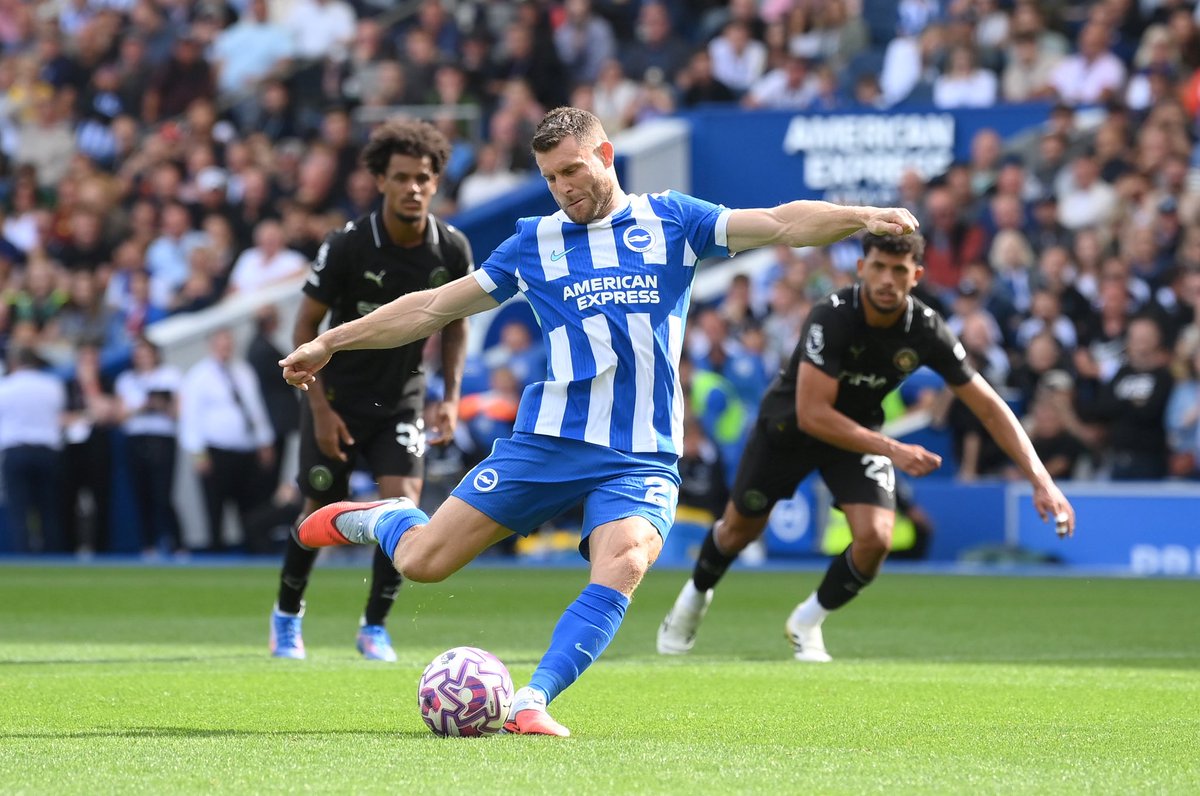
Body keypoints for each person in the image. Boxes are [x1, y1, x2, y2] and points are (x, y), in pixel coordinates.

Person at [279, 106, 921, 736]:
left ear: (606, 156)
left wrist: (859, 216)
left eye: (572, 170)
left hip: (641, 453)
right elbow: (430, 309)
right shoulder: (534, 242)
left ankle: (531, 700)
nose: (564, 188)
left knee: (628, 560)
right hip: (548, 440)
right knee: (423, 563)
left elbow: (782, 224)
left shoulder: (672, 219)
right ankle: (387, 517)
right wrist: (332, 343)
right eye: (552, 178)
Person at [656, 232, 1077, 663]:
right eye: (878, 266)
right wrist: (894, 449)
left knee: (876, 539)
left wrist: (1042, 481)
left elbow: (989, 407)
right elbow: (813, 414)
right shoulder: (832, 316)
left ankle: (807, 620)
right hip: (788, 429)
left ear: (915, 276)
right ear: (862, 269)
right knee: (737, 531)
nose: (887, 279)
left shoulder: (926, 329)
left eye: (898, 270)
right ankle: (694, 597)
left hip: (855, 436)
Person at [270, 119, 473, 662]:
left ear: (435, 183)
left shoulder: (451, 249)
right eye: (401, 177)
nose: (413, 188)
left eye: (423, 178)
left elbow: (456, 326)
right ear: (380, 181)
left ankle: (374, 627)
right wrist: (319, 409)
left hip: (401, 397)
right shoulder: (348, 245)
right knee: (318, 504)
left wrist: (450, 395)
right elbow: (303, 329)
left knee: (403, 505)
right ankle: (287, 616)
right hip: (334, 398)